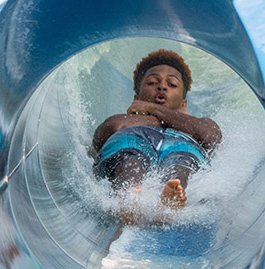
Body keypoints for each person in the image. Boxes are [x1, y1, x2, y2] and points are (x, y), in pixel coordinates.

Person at [92, 49, 222, 224]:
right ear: (136, 98)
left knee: (181, 162)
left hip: (181, 145)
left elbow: (210, 137)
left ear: (184, 104)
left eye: (172, 84)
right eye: (152, 82)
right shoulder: (126, 120)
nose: (162, 86)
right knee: (130, 158)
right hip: (134, 138)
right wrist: (154, 118)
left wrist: (154, 110)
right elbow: (109, 130)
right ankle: (129, 200)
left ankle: (168, 202)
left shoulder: (200, 123)